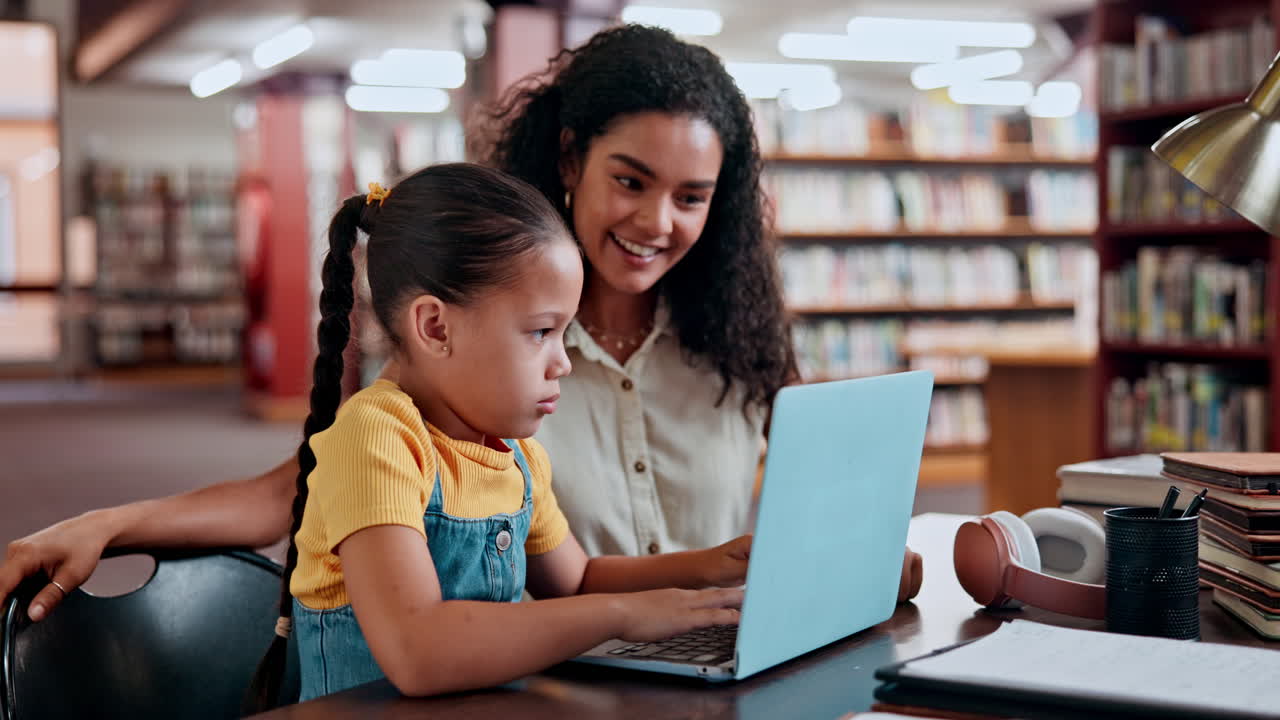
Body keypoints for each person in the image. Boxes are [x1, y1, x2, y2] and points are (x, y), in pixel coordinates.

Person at [0, 24, 922, 629]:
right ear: (570, 158)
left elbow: (802, 516)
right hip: (550, 683)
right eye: (630, 181)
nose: (657, 224)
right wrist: (115, 522)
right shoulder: (476, 348)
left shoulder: (741, 347)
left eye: (691, 197)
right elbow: (311, 486)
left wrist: (858, 554)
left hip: (720, 670)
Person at [243, 163, 749, 707]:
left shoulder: (516, 456)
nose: (563, 364)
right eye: (540, 332)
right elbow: (417, 650)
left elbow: (576, 581)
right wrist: (624, 615)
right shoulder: (376, 437)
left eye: (564, 333)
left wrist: (711, 566)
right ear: (436, 327)